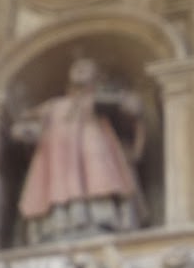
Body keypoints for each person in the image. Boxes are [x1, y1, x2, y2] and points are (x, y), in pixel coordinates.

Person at [10, 57, 147, 243]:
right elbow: (27, 123)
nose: (79, 69)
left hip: (95, 148)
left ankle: (100, 219)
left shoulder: (104, 98)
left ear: (98, 75)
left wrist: (128, 105)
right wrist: (24, 130)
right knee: (58, 183)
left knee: (100, 176)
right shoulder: (54, 105)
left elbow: (133, 113)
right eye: (76, 67)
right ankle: (59, 224)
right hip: (58, 156)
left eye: (86, 67)